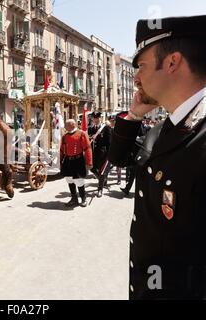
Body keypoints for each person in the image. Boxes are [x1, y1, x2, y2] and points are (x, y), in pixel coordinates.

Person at [108, 15, 206, 299]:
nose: (136, 78)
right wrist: (135, 115)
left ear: (173, 62)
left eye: (141, 65)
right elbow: (119, 158)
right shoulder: (165, 127)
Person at [60, 119, 93, 207]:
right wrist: (60, 161)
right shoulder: (65, 136)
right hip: (68, 160)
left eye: (66, 125)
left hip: (78, 160)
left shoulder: (81, 134)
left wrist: (89, 162)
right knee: (69, 180)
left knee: (79, 180)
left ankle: (83, 198)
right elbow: (62, 150)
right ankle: (74, 199)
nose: (64, 127)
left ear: (72, 125)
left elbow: (87, 148)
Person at [87, 112, 112, 197]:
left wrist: (109, 154)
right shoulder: (91, 129)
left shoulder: (106, 128)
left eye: (97, 118)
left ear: (100, 118)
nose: (96, 120)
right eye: (94, 118)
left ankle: (100, 189)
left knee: (102, 171)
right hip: (94, 153)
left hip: (103, 153)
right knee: (92, 168)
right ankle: (102, 179)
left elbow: (109, 142)